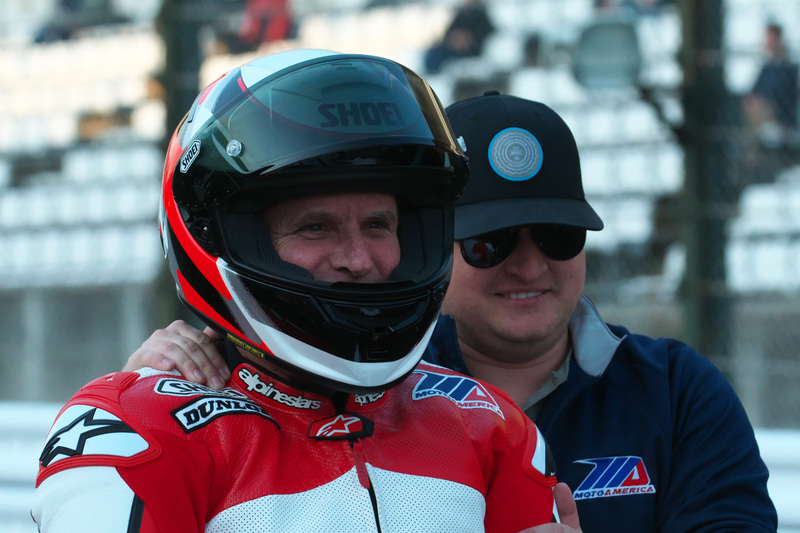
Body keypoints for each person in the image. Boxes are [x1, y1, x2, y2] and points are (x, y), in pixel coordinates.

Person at [126, 91, 778, 532]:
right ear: (430, 245)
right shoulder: (350, 388)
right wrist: (154, 384)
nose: (530, 266)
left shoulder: (678, 390)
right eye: (491, 243)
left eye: (558, 236)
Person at [32, 52, 560, 532]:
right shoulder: (138, 430)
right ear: (227, 238)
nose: (358, 259)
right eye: (315, 227)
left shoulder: (488, 424)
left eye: (378, 224)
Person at [423, 0, 495, 74]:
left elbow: (487, 36)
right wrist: (453, 39)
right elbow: (449, 33)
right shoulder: (462, 14)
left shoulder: (481, 16)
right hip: (453, 49)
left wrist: (468, 41)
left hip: (471, 52)